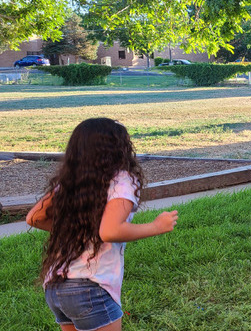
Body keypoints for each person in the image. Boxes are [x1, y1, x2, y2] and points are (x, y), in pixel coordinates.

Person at [26, 118, 178, 331]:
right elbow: (110, 230)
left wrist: (79, 230)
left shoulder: (69, 182)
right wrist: (156, 226)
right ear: (119, 148)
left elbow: (34, 217)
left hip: (56, 287)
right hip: (90, 288)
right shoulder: (122, 181)